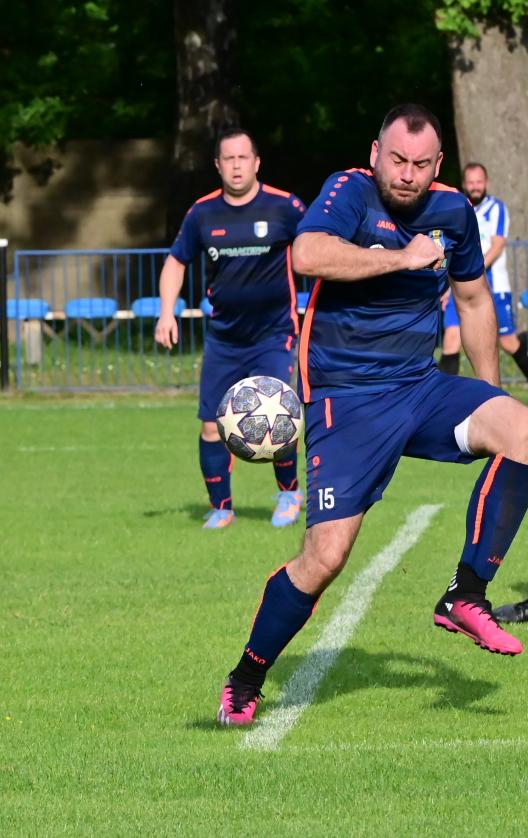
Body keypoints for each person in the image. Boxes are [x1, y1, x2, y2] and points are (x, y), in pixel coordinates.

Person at [216, 104, 528, 728]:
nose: (407, 174)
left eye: (420, 164)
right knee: (324, 559)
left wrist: (489, 398)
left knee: (523, 432)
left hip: (418, 385)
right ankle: (246, 677)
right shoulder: (349, 192)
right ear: (375, 153)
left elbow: (472, 301)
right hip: (346, 398)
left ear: (438, 165)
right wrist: (401, 257)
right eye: (397, 160)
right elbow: (308, 254)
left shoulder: (453, 212)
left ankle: (465, 594)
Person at [155, 129, 306, 530]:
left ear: (256, 163)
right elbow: (176, 262)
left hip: (274, 333)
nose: (236, 166)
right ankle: (221, 507)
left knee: (277, 416)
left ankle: (289, 494)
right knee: (210, 425)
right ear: (218, 166)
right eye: (229, 159)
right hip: (224, 337)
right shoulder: (202, 213)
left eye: (243, 158)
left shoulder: (285, 207)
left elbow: (318, 246)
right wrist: (166, 313)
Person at [439, 163, 528, 380]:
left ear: (486, 183)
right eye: (471, 182)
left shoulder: (496, 209)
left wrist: (471, 268)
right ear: (464, 184)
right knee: (451, 339)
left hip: (493, 286)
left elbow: (497, 247)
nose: (475, 186)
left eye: (479, 182)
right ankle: (443, 399)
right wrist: (448, 287)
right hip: (460, 287)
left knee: (508, 342)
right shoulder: (459, 209)